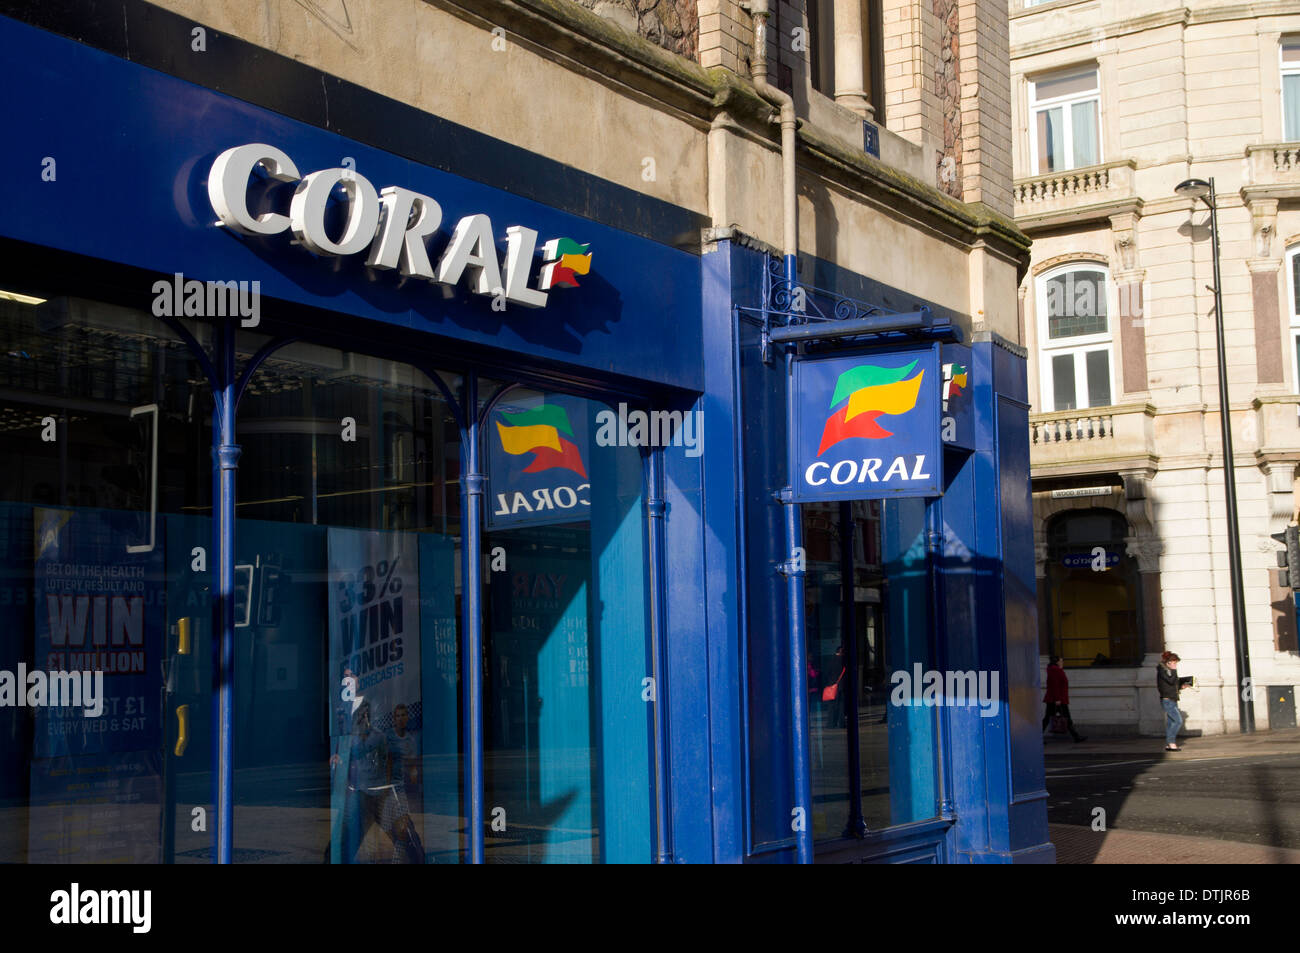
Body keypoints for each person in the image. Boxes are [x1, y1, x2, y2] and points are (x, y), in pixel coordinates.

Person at [1042, 655, 1086, 742]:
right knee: (1065, 718)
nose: (1063, 663)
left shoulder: (1054, 670)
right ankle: (1076, 737)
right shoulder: (1056, 670)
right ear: (1057, 662)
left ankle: (1076, 737)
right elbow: (1055, 686)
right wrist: (1057, 699)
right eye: (1061, 661)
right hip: (1058, 700)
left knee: (1049, 718)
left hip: (1055, 699)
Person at [1157, 651, 1186, 751]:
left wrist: (1181, 686)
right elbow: (1170, 681)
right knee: (1178, 721)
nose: (1175, 665)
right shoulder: (1162, 670)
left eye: (1176, 663)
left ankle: (1170, 744)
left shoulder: (1168, 670)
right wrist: (1174, 670)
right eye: (1174, 662)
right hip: (1167, 700)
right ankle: (1171, 742)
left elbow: (1172, 684)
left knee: (1171, 722)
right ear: (1168, 662)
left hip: (1172, 699)